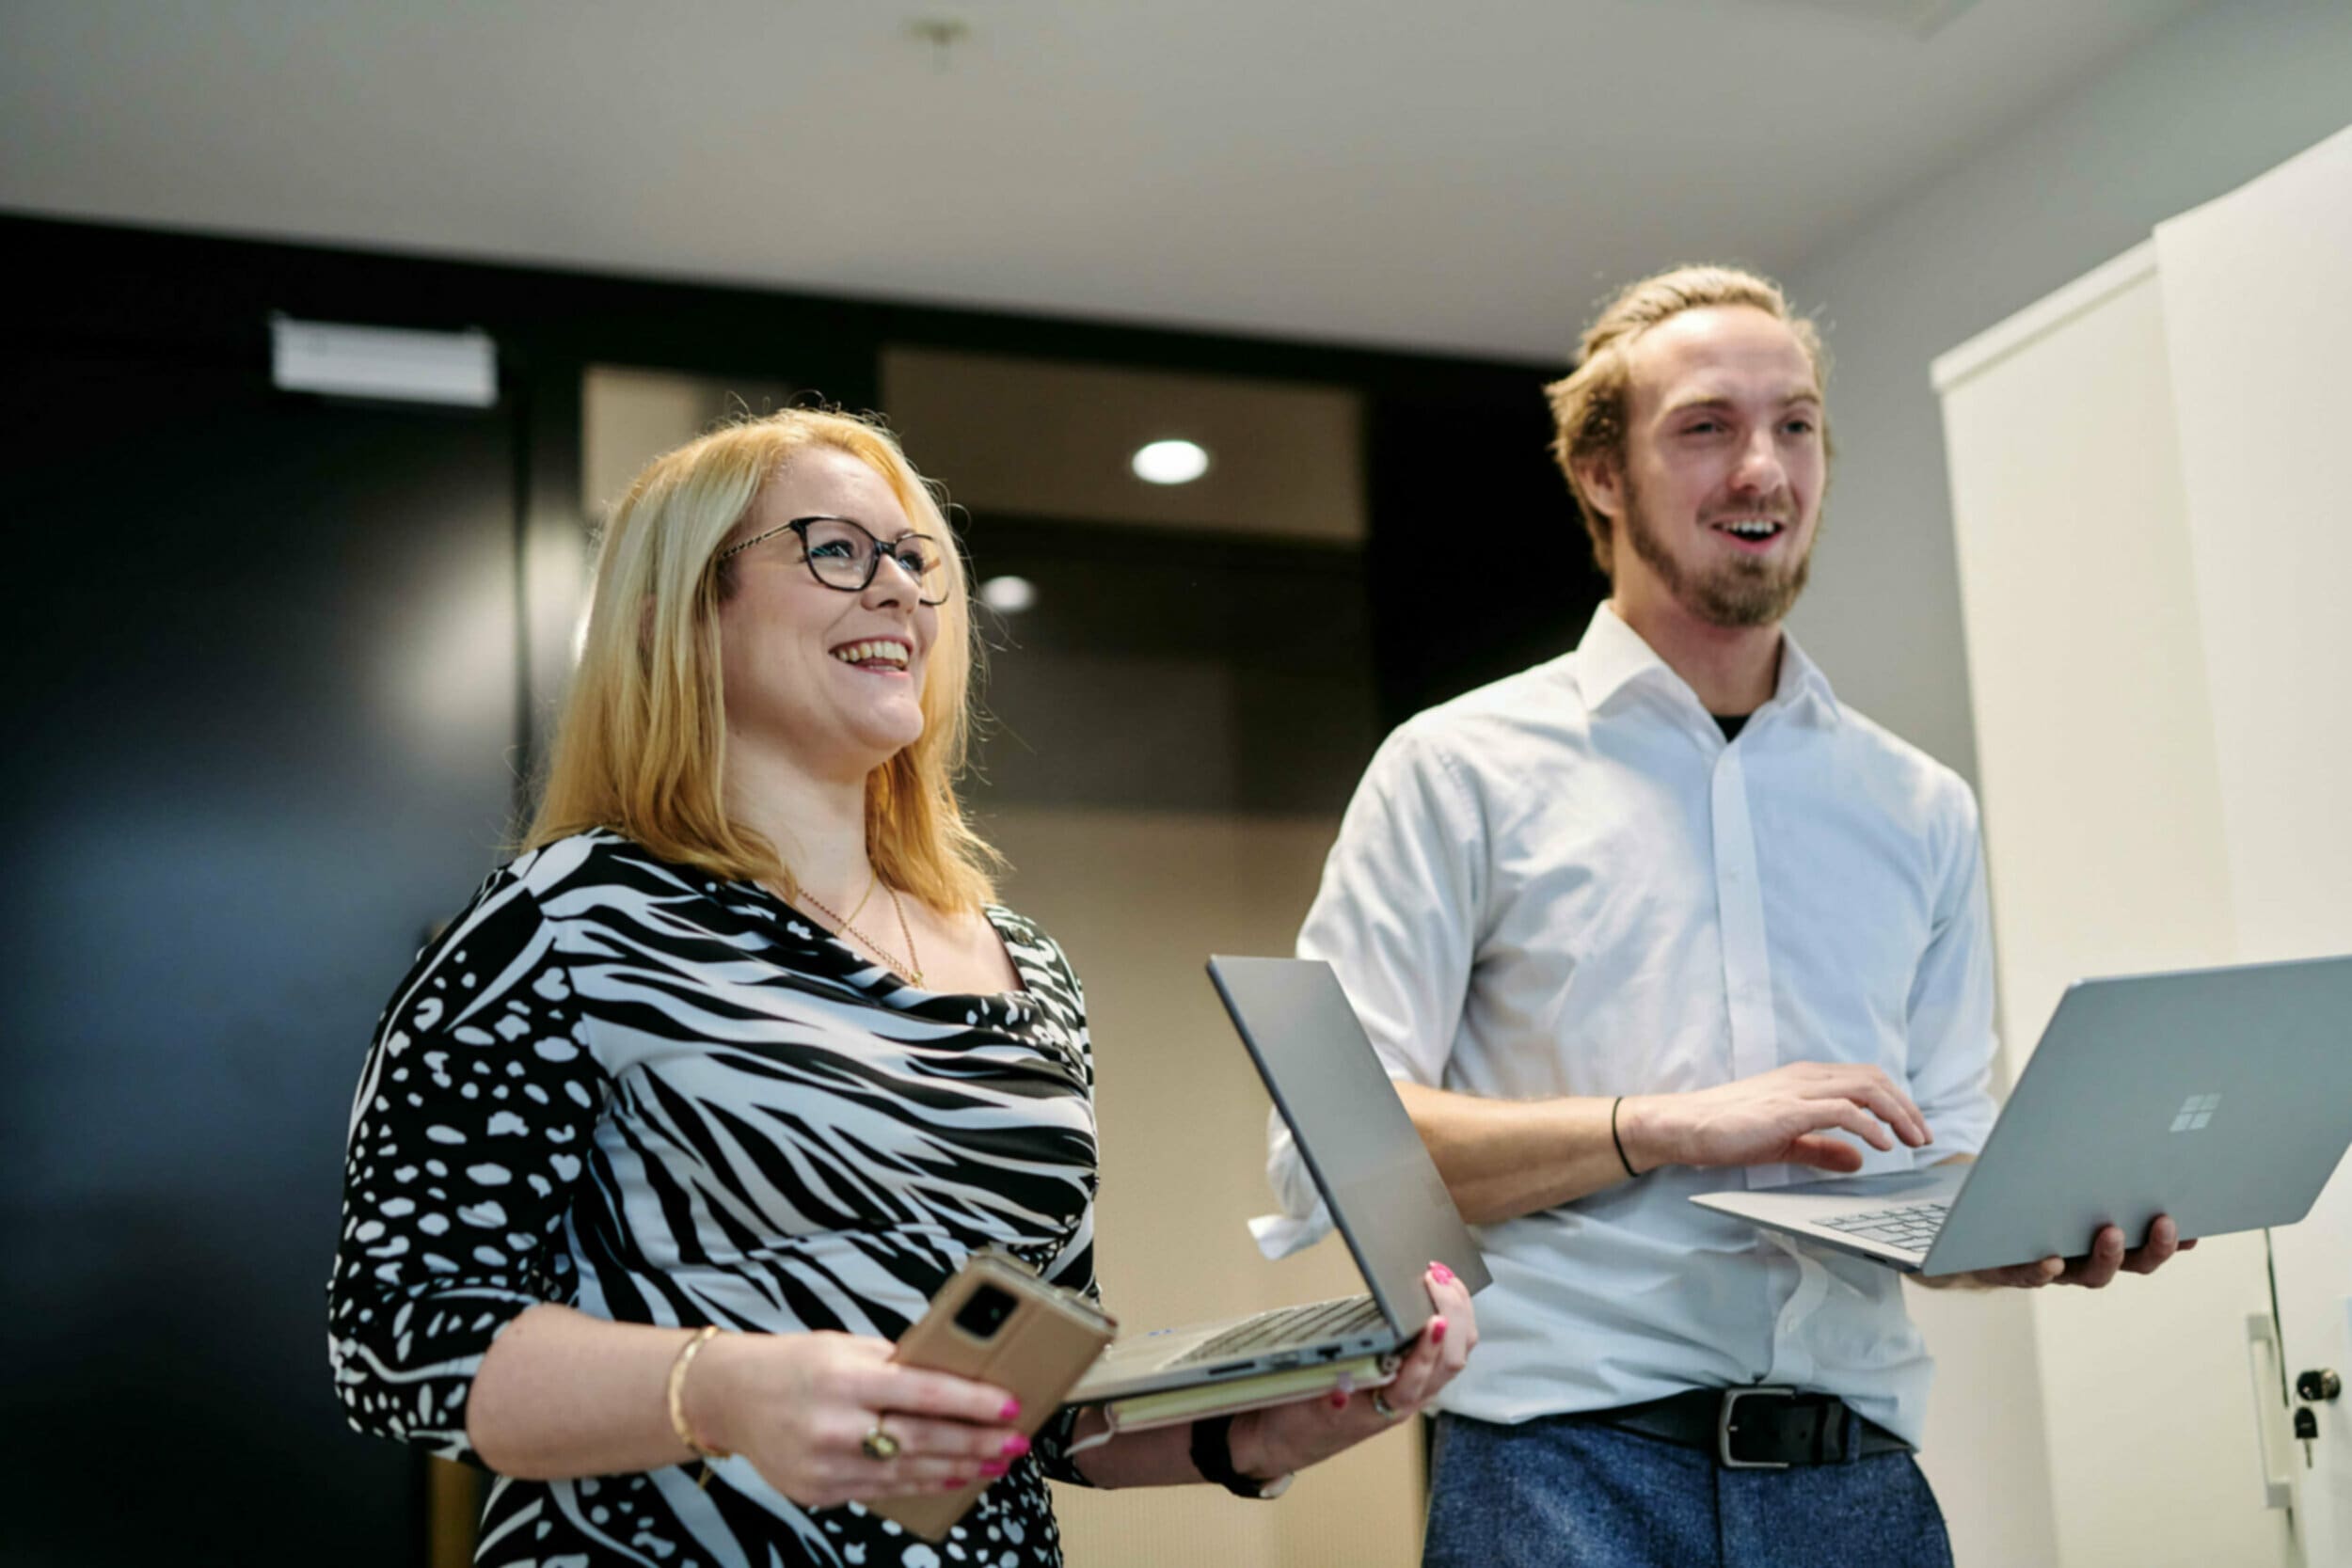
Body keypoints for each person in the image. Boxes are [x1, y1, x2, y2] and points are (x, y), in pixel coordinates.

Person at [326, 408, 1477, 1568]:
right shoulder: (557, 925)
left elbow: (1029, 1407)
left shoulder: (1024, 966)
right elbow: (397, 1340)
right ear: (678, 608)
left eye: (917, 558)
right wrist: (720, 1387)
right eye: (835, 548)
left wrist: (1262, 1426)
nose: (898, 592)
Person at [1263, 266, 2188, 1568]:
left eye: (1795, 424)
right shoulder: (1457, 767)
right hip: (1561, 1479)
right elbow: (1333, 1138)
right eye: (1706, 427)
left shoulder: (1918, 804)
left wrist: (2040, 1227)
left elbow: (1942, 1174)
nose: (1763, 467)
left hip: (1861, 1490)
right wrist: (1661, 1126)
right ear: (1600, 473)